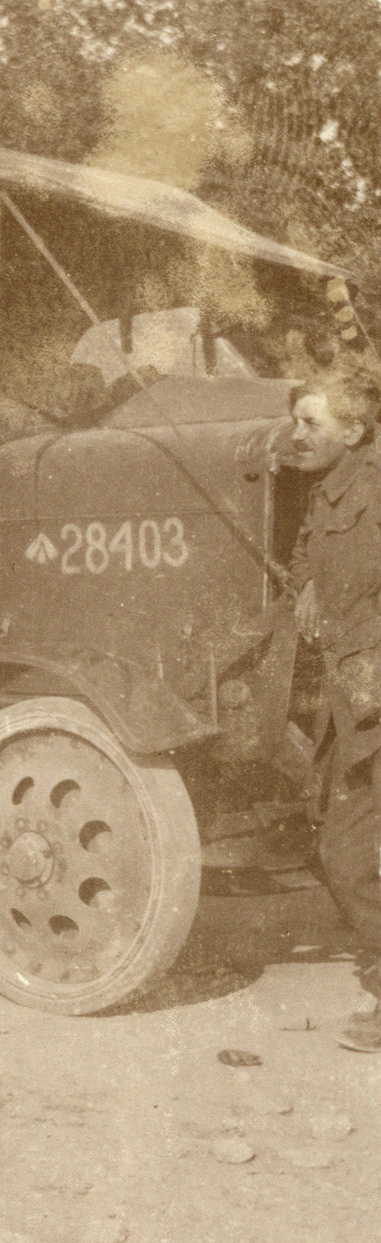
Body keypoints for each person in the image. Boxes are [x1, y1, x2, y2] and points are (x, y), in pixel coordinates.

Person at [287, 366, 381, 1050]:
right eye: (294, 419)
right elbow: (306, 554)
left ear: (354, 431)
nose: (295, 434)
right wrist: (308, 586)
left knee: (348, 854)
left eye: (310, 423)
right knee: (343, 850)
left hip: (373, 691)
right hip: (354, 702)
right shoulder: (330, 489)